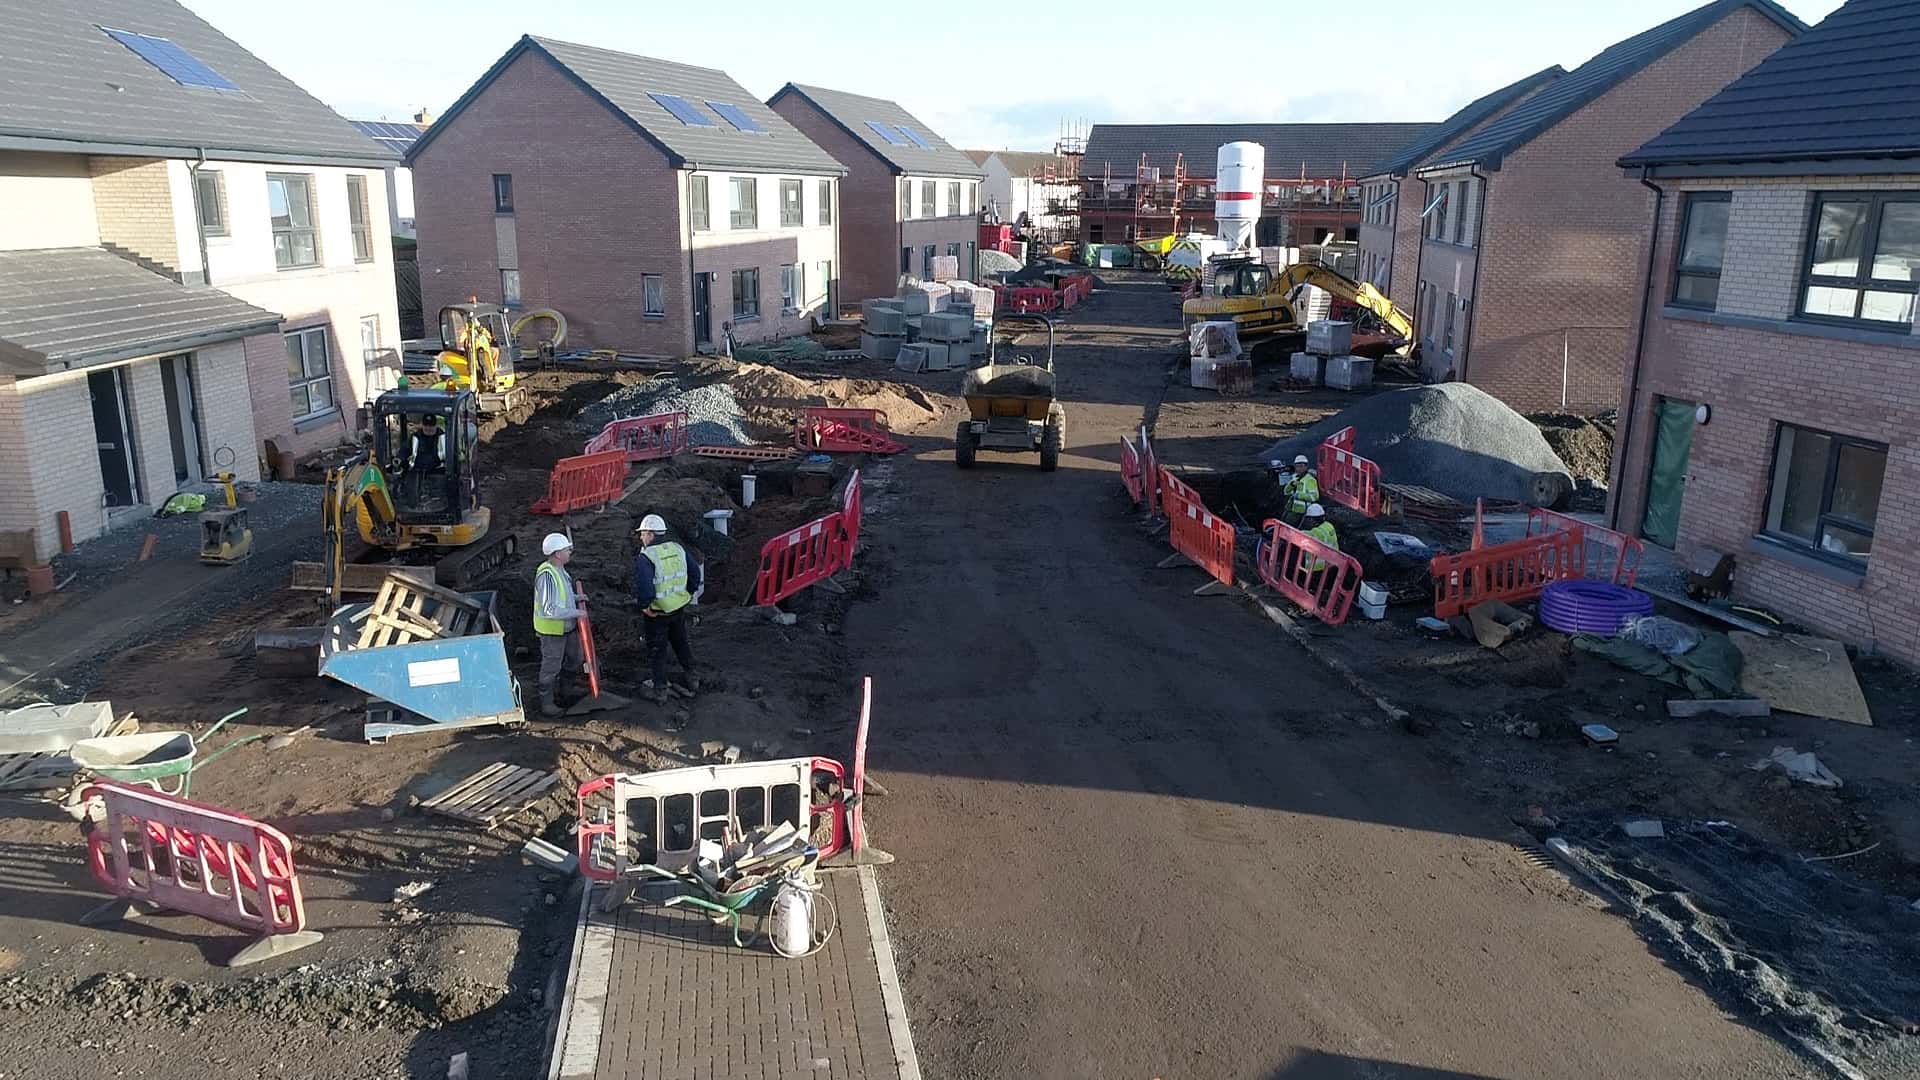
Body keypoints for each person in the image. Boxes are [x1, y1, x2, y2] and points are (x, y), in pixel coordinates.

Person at [632, 514, 702, 704]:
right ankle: (693, 677)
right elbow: (695, 573)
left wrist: (645, 607)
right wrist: (686, 594)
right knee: (681, 643)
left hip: (657, 613)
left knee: (657, 651)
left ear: (650, 534)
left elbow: (645, 587)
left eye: (643, 533)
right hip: (678, 608)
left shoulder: (646, 557)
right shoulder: (678, 549)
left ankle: (660, 689)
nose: (641, 537)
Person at [532, 532, 587, 717]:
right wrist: (577, 612)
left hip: (566, 627)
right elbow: (550, 609)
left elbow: (562, 595)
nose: (570, 551)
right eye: (566, 549)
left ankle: (566, 689)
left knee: (575, 658)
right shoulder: (547, 575)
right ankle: (547, 703)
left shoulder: (560, 570)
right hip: (552, 631)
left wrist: (576, 598)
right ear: (557, 554)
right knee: (551, 667)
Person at [1273, 454, 1320, 519]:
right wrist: (1291, 485)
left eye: (1301, 466)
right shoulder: (1294, 477)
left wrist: (1299, 495)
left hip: (1304, 512)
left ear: (1306, 467)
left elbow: (1314, 497)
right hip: (1292, 509)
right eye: (1297, 466)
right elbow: (1286, 492)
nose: (1299, 469)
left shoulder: (1310, 480)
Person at [1303, 503, 1340, 571]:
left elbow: (1302, 535)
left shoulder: (1317, 532)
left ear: (1311, 519)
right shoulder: (1329, 525)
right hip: (1333, 563)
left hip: (1318, 568)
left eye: (1308, 519)